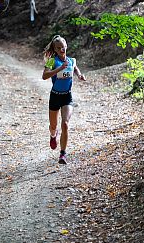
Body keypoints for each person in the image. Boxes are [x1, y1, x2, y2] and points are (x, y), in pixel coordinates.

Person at [42, 35, 86, 164]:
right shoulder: (51, 61)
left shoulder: (72, 60)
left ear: (66, 46)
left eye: (63, 47)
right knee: (54, 125)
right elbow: (44, 76)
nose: (62, 49)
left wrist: (79, 75)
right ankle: (53, 135)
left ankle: (63, 154)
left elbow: (75, 68)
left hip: (67, 96)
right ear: (55, 49)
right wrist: (59, 69)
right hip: (55, 96)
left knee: (65, 124)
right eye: (58, 48)